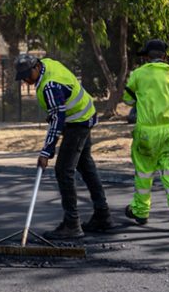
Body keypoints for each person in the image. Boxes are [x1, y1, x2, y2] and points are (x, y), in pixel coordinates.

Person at [14, 54, 111, 239]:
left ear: (36, 68)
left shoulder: (50, 85)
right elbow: (58, 108)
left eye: (27, 75)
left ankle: (72, 224)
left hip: (78, 122)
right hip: (86, 114)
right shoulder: (48, 64)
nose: (26, 80)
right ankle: (102, 215)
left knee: (63, 170)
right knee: (85, 165)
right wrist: (54, 114)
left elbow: (58, 121)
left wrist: (46, 151)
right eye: (23, 77)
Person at [121, 39, 169, 231]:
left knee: (144, 173)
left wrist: (142, 98)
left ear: (146, 57)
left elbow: (128, 100)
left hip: (146, 132)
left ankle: (140, 211)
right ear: (164, 56)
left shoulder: (138, 74)